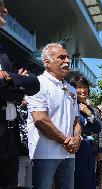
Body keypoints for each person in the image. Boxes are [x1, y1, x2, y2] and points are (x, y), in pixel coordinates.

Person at [26, 43, 81, 189]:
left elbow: (76, 120)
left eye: (67, 57)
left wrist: (76, 139)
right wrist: (66, 141)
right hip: (44, 154)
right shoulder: (37, 84)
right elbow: (40, 119)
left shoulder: (71, 89)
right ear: (47, 62)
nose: (67, 61)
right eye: (61, 57)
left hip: (68, 155)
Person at [0, 1, 40, 188]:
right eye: (0, 5)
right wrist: (15, 86)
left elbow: (33, 84)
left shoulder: (5, 53)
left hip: (10, 136)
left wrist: (8, 77)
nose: (6, 10)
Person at [70, 76, 102, 189]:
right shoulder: (70, 105)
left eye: (85, 87)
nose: (83, 90)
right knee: (78, 180)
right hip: (75, 149)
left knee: (89, 180)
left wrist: (88, 113)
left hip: (89, 150)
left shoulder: (90, 109)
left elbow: (97, 129)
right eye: (79, 87)